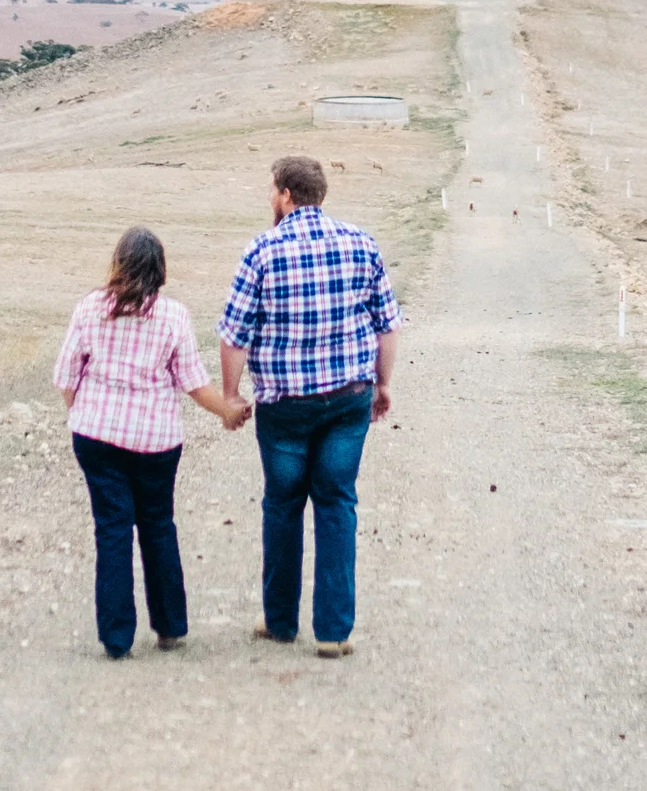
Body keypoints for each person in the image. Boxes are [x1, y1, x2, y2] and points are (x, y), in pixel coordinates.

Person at [218, 155, 401, 657]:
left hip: (285, 406)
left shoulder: (261, 250)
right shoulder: (362, 244)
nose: (269, 199)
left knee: (282, 504)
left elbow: (235, 336)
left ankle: (280, 621)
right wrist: (382, 385)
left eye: (271, 190)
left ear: (285, 196)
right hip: (348, 398)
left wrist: (232, 395)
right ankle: (334, 631)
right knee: (337, 501)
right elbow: (387, 324)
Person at [54, 226, 250, 659]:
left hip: (96, 435)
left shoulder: (89, 309)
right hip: (156, 441)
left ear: (117, 264)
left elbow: (67, 377)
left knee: (112, 530)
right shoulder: (173, 316)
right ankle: (170, 626)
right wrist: (229, 410)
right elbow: (194, 384)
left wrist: (83, 413)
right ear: (161, 269)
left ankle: (117, 637)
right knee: (158, 526)